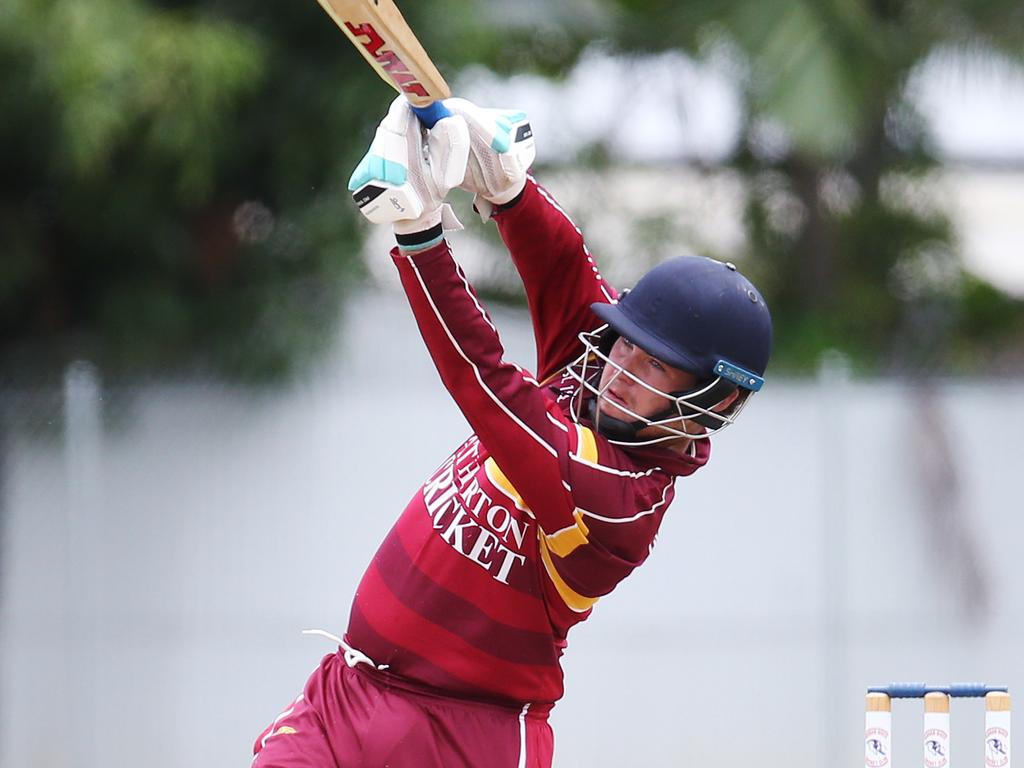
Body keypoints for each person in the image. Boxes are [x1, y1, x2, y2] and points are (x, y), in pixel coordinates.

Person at [252, 96, 772, 768]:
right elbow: (563, 269)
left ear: (713, 397)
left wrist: (419, 237)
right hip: (348, 695)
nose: (619, 367)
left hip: (469, 738)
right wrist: (507, 189)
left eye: (653, 365)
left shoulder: (618, 496)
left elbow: (488, 386)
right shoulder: (595, 373)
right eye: (626, 344)